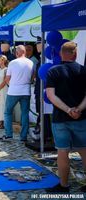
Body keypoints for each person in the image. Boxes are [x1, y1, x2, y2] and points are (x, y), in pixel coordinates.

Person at [46, 42, 86, 193]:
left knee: (62, 152)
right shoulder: (83, 70)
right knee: (84, 150)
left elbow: (51, 95)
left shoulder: (53, 71)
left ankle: (64, 185)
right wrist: (78, 109)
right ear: (75, 54)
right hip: (81, 117)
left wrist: (68, 110)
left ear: (61, 54)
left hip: (61, 118)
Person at [0, 45, 33, 142]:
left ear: (17, 53)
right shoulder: (30, 62)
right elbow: (32, 77)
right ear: (25, 52)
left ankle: (9, 134)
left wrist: (10, 84)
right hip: (26, 90)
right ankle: (23, 137)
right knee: (25, 113)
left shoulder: (13, 62)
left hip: (14, 91)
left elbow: (7, 78)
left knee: (7, 112)